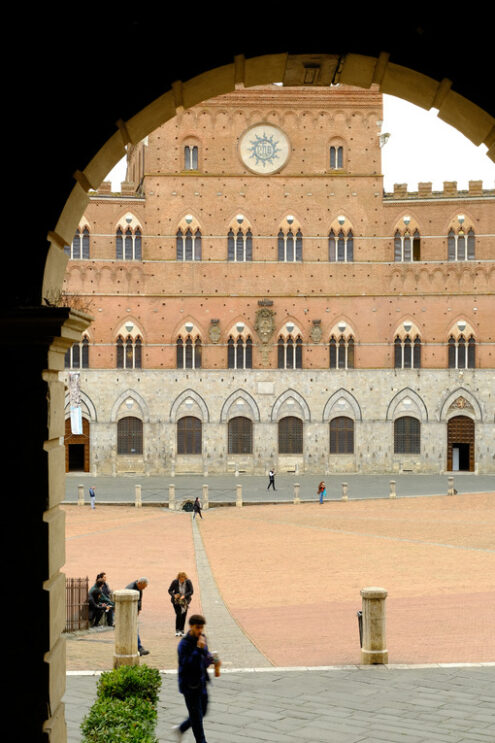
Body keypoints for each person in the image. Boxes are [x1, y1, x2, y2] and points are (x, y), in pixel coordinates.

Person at [172, 614, 221, 743]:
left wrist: (213, 660)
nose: (200, 631)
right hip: (189, 686)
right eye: (197, 628)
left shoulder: (202, 639)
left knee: (202, 711)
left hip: (201, 683)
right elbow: (186, 664)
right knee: (197, 718)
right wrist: (198, 649)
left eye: (202, 628)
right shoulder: (184, 644)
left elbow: (203, 660)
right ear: (191, 627)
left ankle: (181, 729)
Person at [125, 577, 150, 656]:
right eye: (144, 586)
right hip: (128, 612)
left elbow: (139, 600)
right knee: (134, 629)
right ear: (140, 583)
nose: (144, 588)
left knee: (135, 629)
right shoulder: (130, 589)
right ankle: (138, 648)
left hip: (134, 612)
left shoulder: (139, 588)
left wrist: (139, 609)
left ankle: (137, 648)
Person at [168, 572, 194, 636]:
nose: (182, 580)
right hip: (176, 601)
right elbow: (170, 590)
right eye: (180, 579)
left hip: (185, 601)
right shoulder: (175, 582)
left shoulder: (188, 582)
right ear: (178, 578)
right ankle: (177, 630)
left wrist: (184, 596)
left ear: (185, 578)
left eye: (183, 579)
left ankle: (182, 630)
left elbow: (191, 591)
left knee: (184, 615)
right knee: (178, 614)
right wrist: (174, 595)